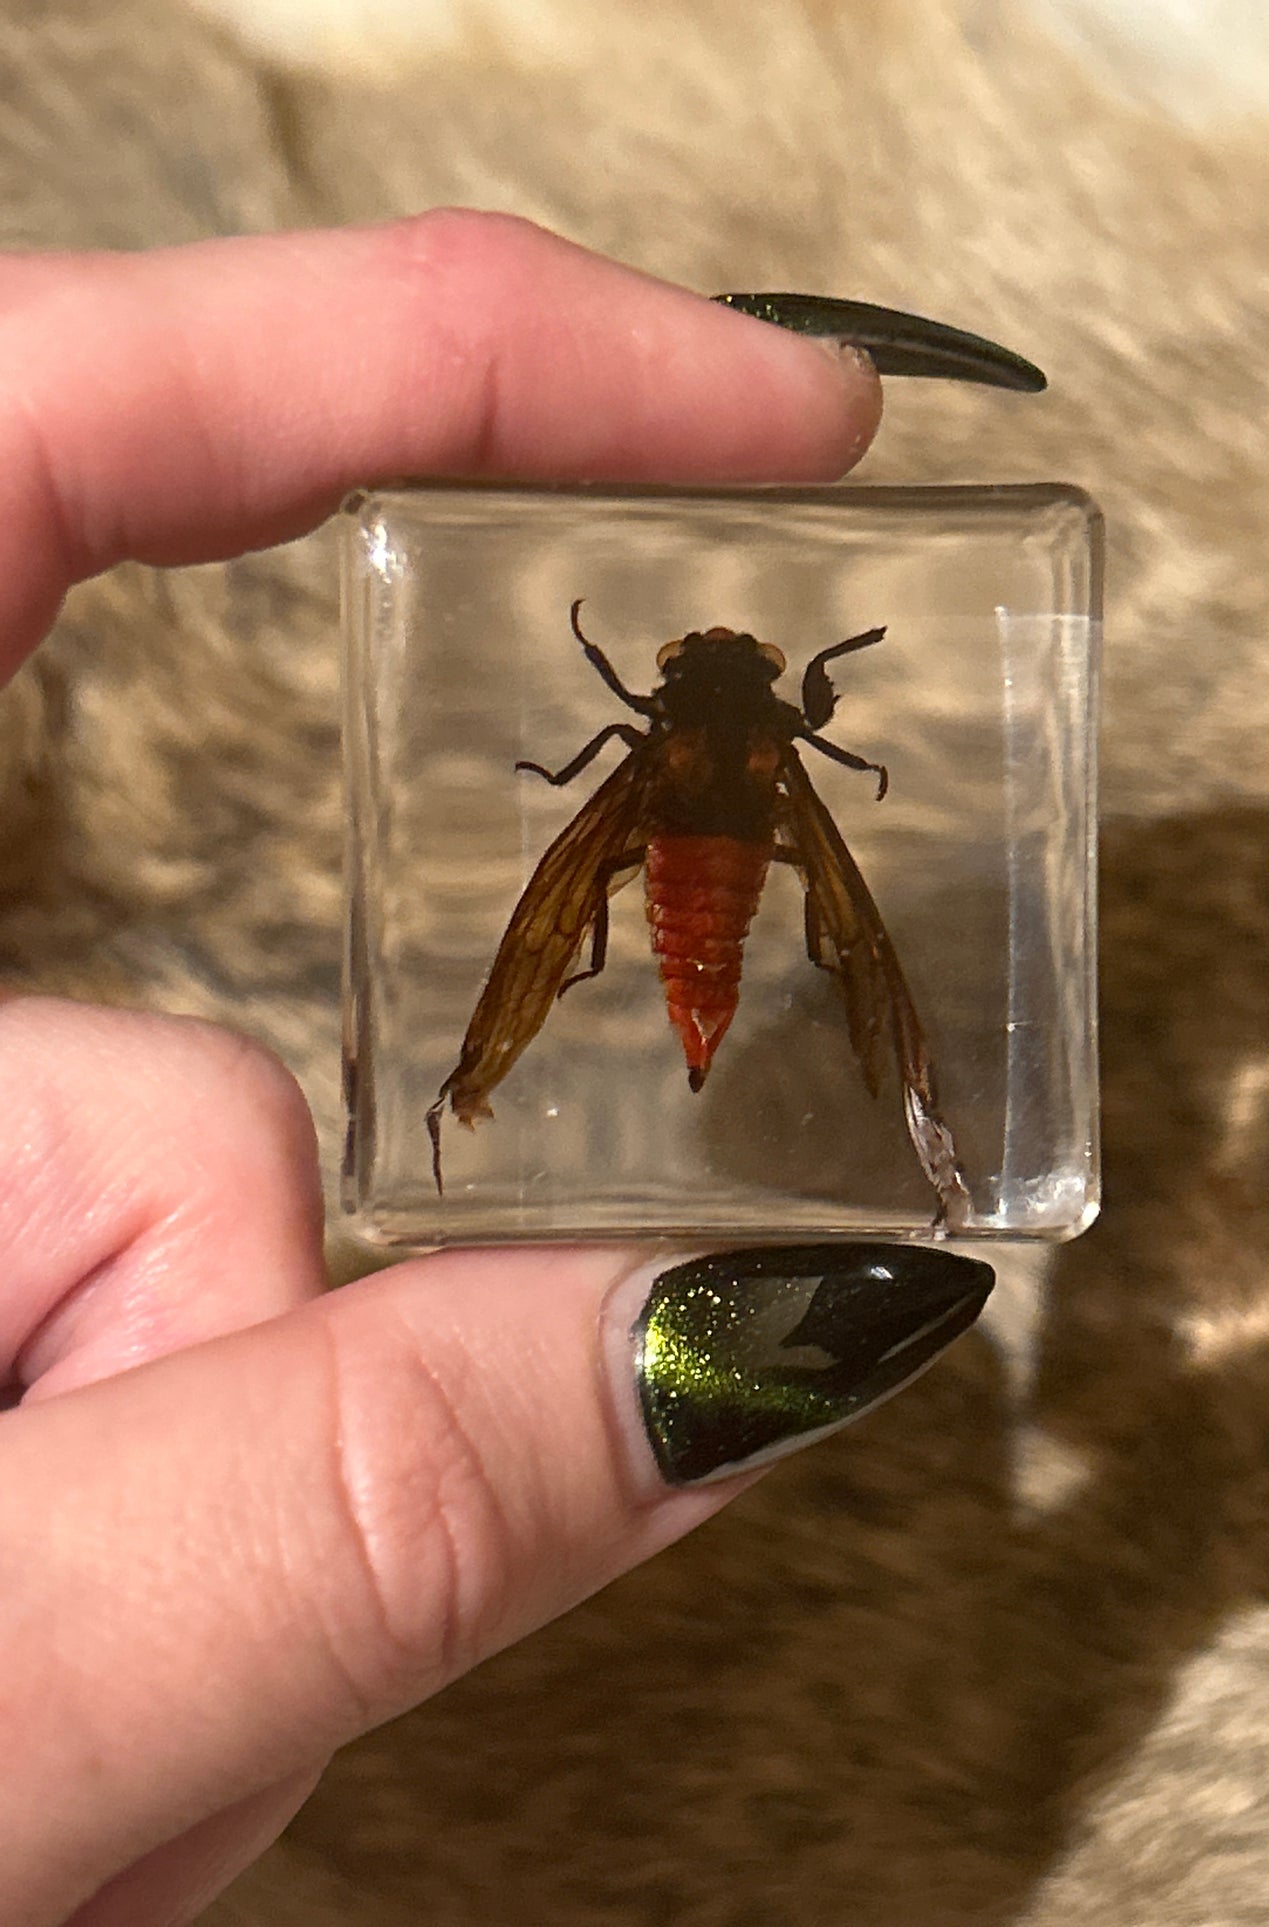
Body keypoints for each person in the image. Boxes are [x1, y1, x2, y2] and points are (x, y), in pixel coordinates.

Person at [0, 211, 993, 1926]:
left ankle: (516, 1073)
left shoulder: (684, 739)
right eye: (727, 666)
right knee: (585, 929)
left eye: (728, 666)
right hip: (720, 867)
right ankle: (511, 1072)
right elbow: (734, 734)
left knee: (598, 924)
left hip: (711, 866)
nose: (729, 669)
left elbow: (621, 735)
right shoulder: (751, 746)